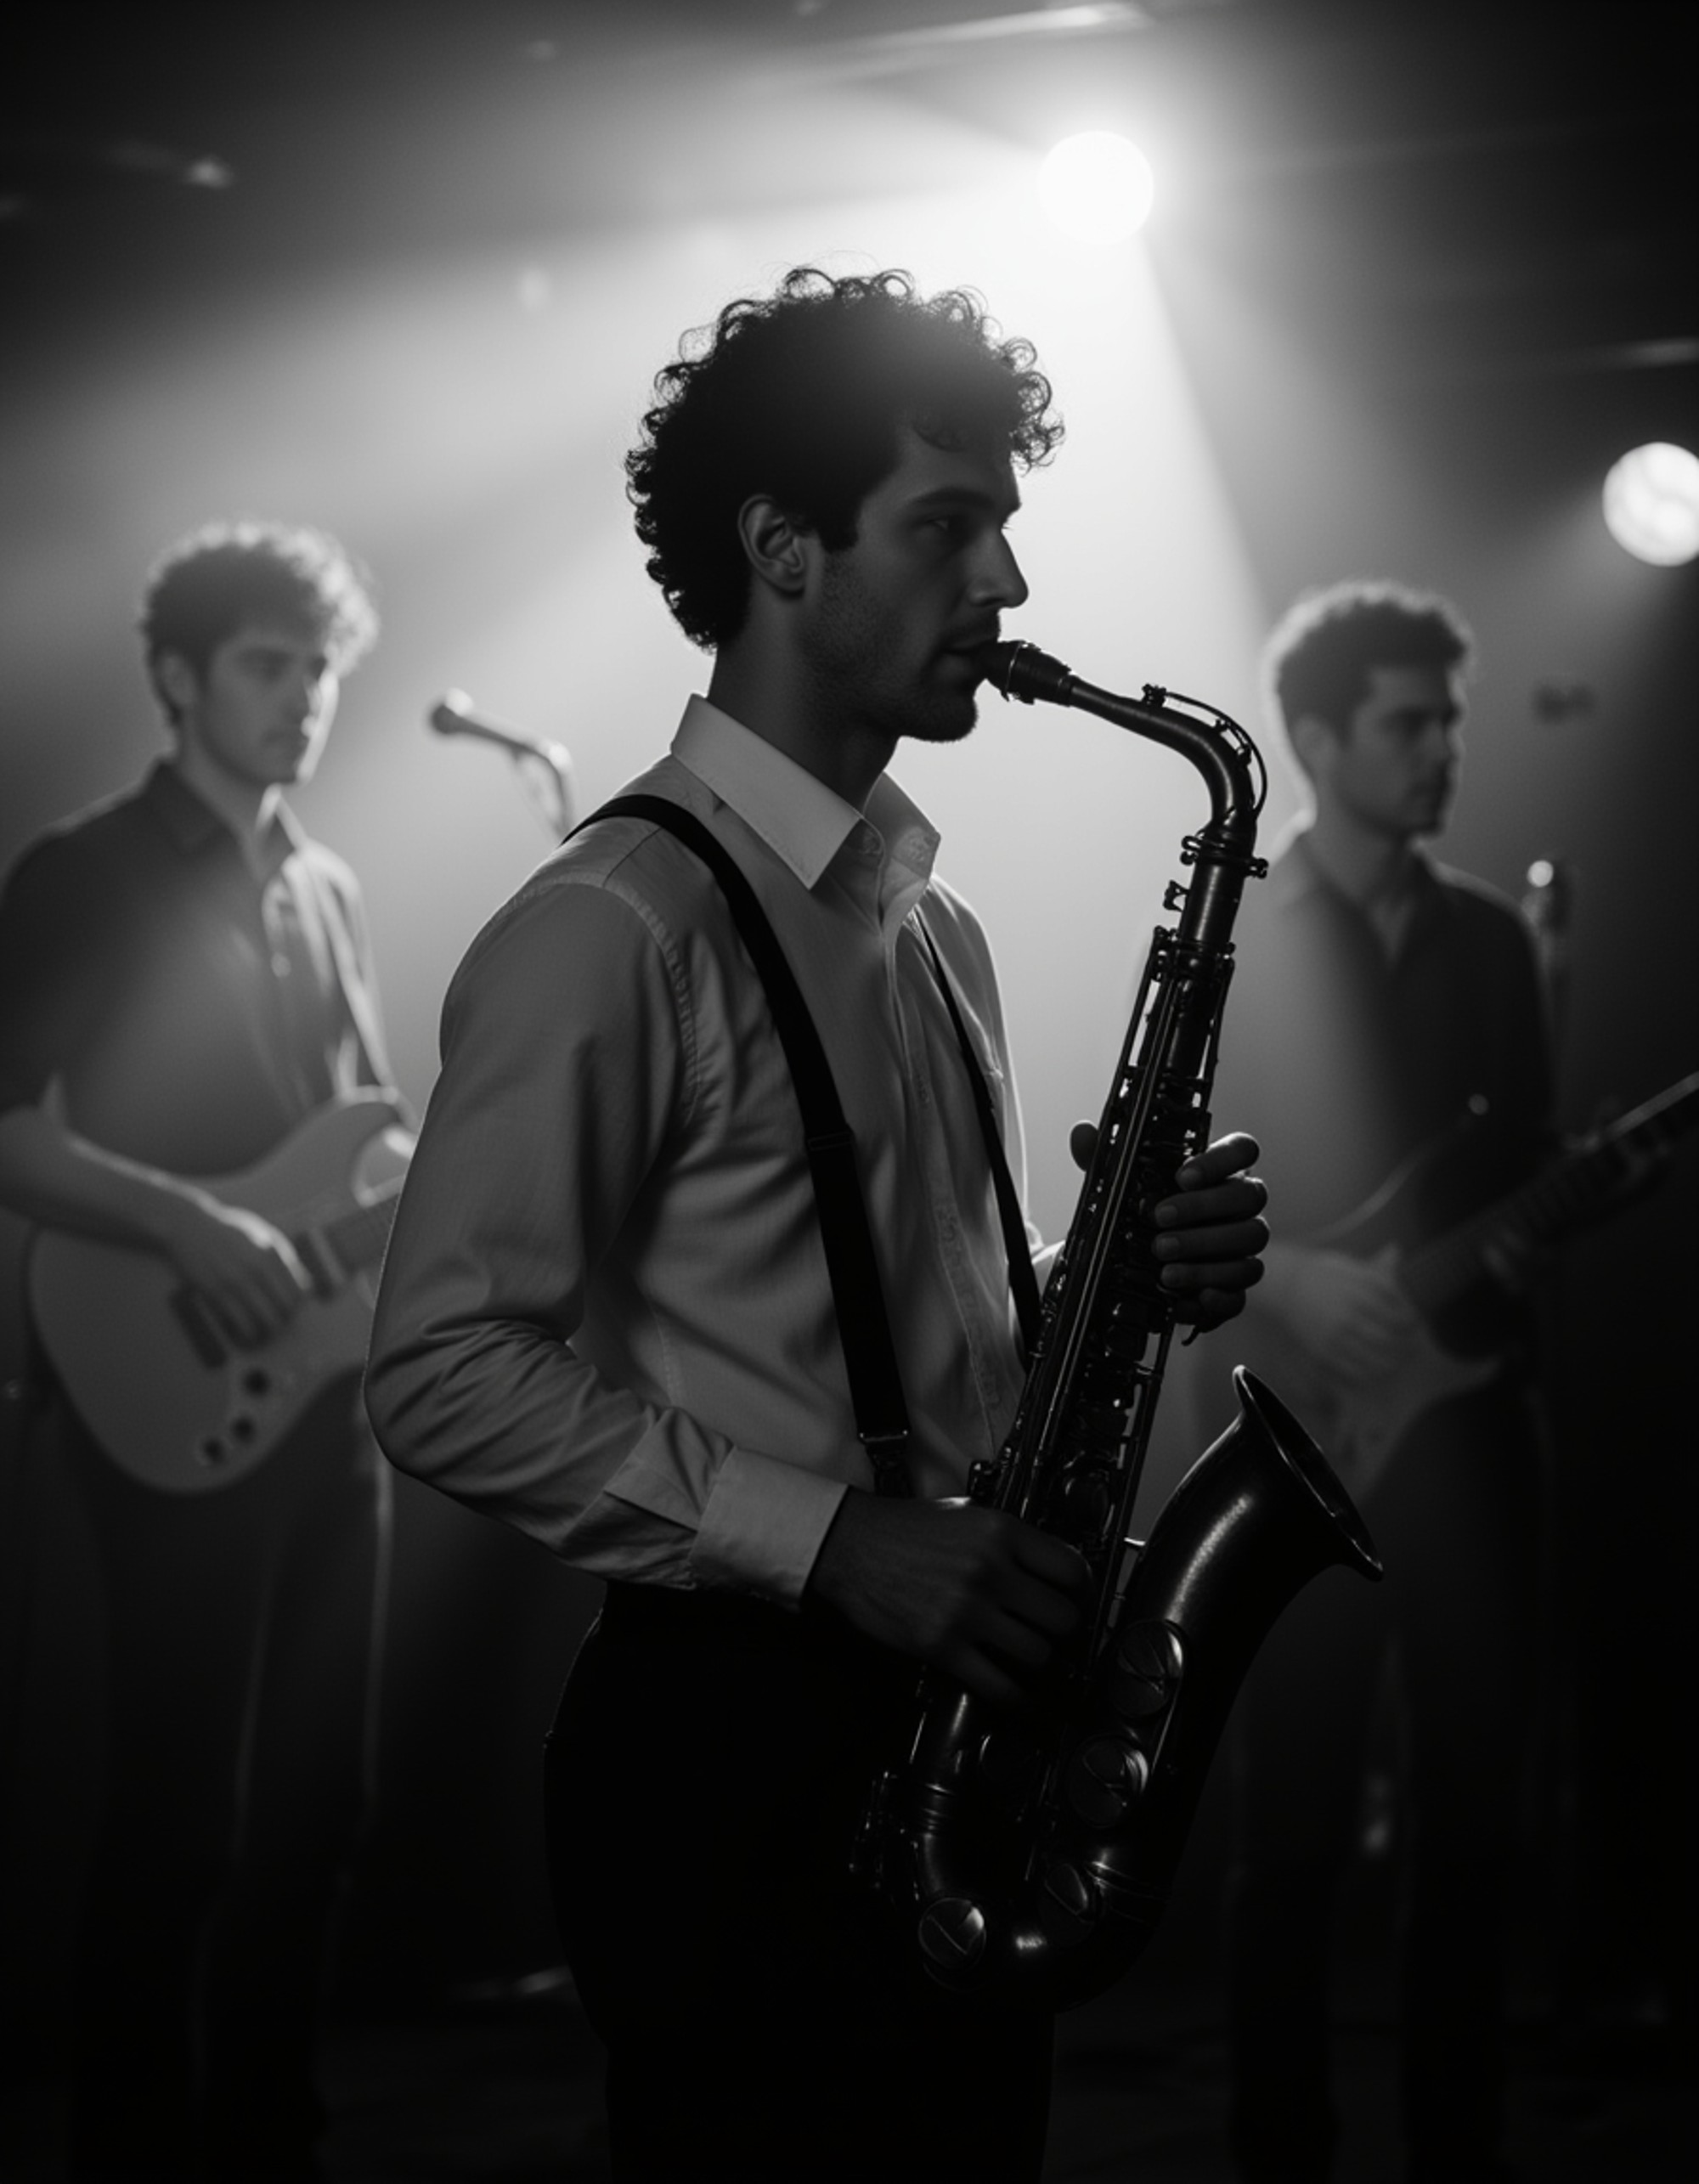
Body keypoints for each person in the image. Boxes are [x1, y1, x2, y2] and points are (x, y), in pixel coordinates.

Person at [364, 266, 1269, 2183]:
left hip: (950, 1720)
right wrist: (840, 1544)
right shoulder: (610, 923)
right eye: (948, 528)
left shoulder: (931, 926)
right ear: (781, 548)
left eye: (1005, 527)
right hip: (729, 1751)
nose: (1010, 586)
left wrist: (1107, 1279)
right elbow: (435, 1368)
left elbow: (926, 1341)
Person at [0, 519, 394, 2182]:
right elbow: (6, 1128)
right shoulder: (82, 870)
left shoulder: (329, 884)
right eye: (265, 664)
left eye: (318, 669)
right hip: (152, 1368)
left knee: (316, 1814)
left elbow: (368, 1150)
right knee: (181, 1820)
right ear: (177, 675)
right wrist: (190, 1222)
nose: (300, 698)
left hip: (325, 1396)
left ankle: (271, 2142)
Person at [1195, 581, 1556, 2184]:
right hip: (1294, 1437)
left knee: (1477, 1831)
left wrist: (1525, 1247)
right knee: (1291, 1834)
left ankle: (1454, 2154)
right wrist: (1293, 1282)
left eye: (1451, 722)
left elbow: (1530, 1167)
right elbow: (1151, 1189)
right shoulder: (1239, 942)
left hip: (1471, 1432)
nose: (1442, 751)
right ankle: (1283, 2153)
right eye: (1410, 723)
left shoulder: (1493, 938)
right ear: (1320, 738)